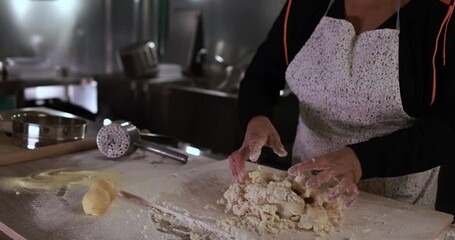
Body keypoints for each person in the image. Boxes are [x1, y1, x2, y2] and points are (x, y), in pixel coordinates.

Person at [228, 0, 455, 216]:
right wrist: (255, 117)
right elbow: (262, 74)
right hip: (305, 193)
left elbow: (449, 127)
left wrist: (361, 160)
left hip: (395, 203)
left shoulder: (442, 13)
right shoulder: (304, 5)